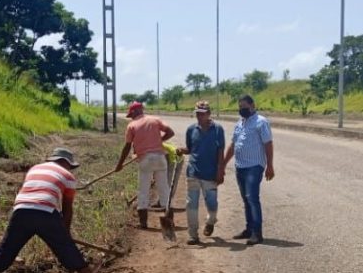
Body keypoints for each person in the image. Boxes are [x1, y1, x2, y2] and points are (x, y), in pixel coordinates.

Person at [0, 147, 103, 273]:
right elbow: (67, 209)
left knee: (6, 248)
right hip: (45, 211)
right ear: (67, 163)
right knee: (66, 247)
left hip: (21, 210)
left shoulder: (35, 168)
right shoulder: (68, 176)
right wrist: (65, 234)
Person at [221, 95, 274, 246]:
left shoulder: (261, 122)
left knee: (252, 197)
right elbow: (233, 145)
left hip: (254, 166)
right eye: (240, 107)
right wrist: (223, 164)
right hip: (240, 167)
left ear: (252, 105)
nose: (241, 110)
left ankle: (257, 233)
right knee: (246, 199)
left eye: (244, 106)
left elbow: (268, 144)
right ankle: (249, 229)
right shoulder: (240, 123)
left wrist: (270, 165)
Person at [114, 101, 175, 228]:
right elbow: (170, 132)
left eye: (131, 115)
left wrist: (119, 164)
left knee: (143, 190)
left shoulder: (132, 125)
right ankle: (168, 221)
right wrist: (158, 141)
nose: (131, 117)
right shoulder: (155, 120)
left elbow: (127, 147)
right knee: (164, 188)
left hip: (145, 160)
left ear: (135, 112)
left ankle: (143, 223)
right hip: (160, 157)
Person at [176, 101, 225, 245]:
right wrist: (181, 150)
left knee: (212, 204)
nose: (199, 116)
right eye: (197, 113)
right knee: (191, 204)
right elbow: (190, 149)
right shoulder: (191, 129)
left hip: (210, 174)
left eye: (202, 113)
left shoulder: (217, 130)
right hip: (193, 172)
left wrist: (220, 171)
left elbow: (220, 152)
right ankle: (193, 235)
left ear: (209, 114)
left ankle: (211, 221)